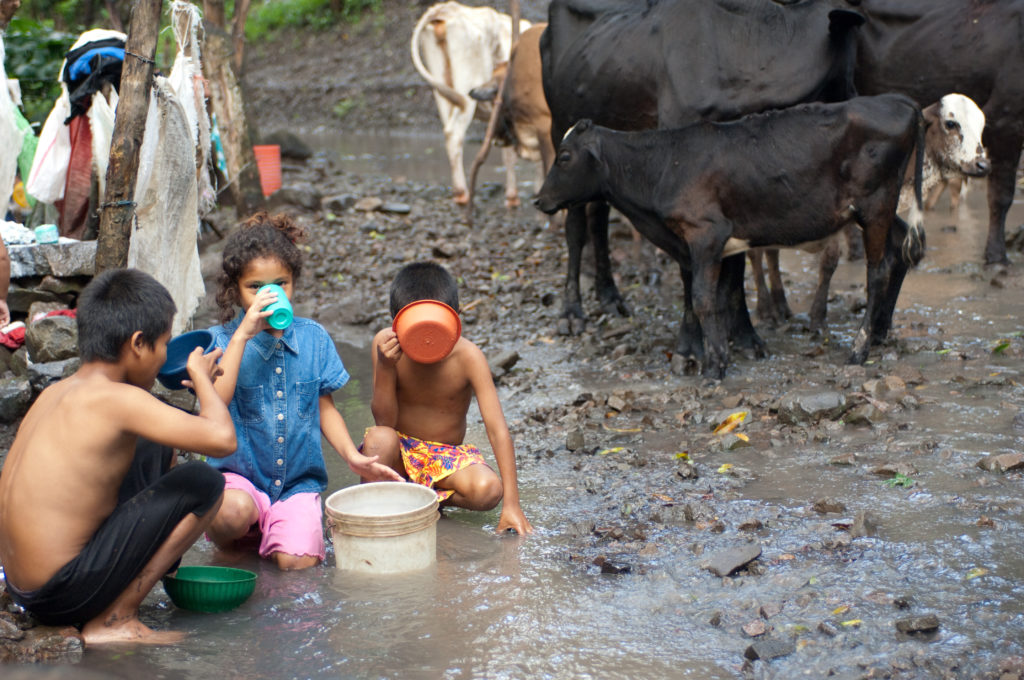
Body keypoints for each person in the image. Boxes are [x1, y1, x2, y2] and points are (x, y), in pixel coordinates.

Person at [0, 268, 235, 644]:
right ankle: (115, 619)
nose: (162, 357)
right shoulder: (118, 400)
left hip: (22, 588)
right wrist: (203, 380)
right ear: (138, 343)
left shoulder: (58, 391)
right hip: (59, 594)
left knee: (155, 438)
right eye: (163, 345)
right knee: (205, 481)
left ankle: (111, 600)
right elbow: (222, 439)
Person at [205, 212, 401, 571]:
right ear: (235, 291)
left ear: (293, 283)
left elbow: (324, 407)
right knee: (232, 515)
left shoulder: (314, 338)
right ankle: (235, 545)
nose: (269, 295)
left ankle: (280, 533)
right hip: (239, 481)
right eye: (255, 288)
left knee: (296, 566)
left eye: (281, 284)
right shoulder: (219, 342)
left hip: (296, 484)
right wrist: (242, 336)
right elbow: (215, 402)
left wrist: (350, 456)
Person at [362, 262, 533, 535]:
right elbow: (384, 420)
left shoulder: (469, 357)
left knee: (489, 489)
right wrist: (385, 367)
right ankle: (373, 512)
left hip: (443, 461)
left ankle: (426, 498)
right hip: (399, 455)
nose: (426, 338)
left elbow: (497, 429)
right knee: (378, 439)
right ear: (395, 322)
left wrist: (512, 504)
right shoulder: (385, 345)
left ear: (456, 319)